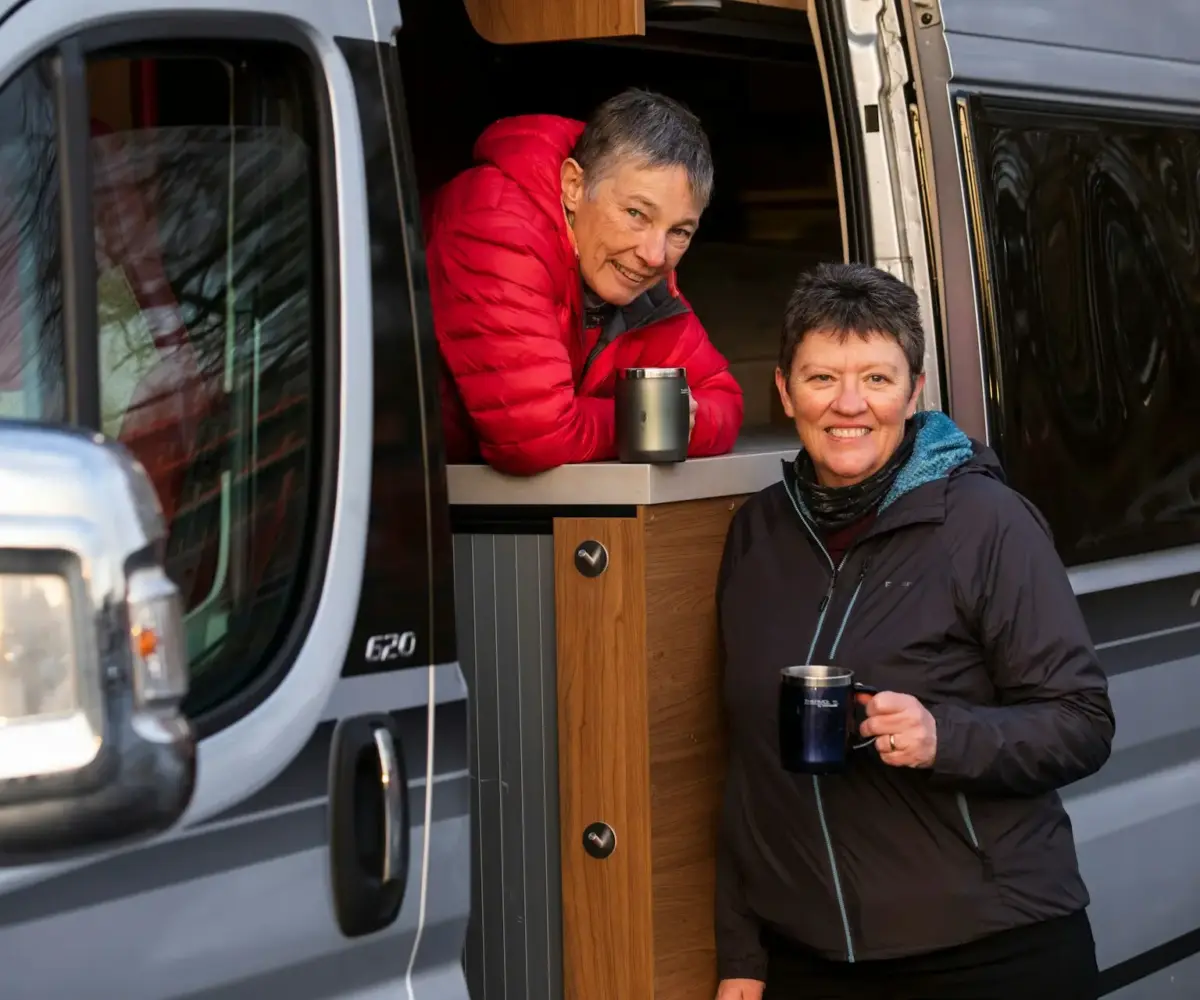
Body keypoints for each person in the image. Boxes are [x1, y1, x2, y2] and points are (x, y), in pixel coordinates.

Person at [714, 262, 1114, 1000]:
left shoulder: (986, 524)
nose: (849, 405)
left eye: (876, 378)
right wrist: (743, 950)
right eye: (821, 377)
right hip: (809, 960)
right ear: (783, 390)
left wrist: (944, 736)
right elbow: (747, 768)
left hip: (986, 951)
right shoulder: (758, 534)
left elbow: (1083, 722)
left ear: (915, 390)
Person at [424, 88, 743, 475]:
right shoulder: (498, 225)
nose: (655, 255)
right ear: (574, 186)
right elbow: (535, 437)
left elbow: (723, 398)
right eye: (636, 214)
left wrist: (673, 420)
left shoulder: (629, 267)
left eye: (680, 231)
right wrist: (648, 419)